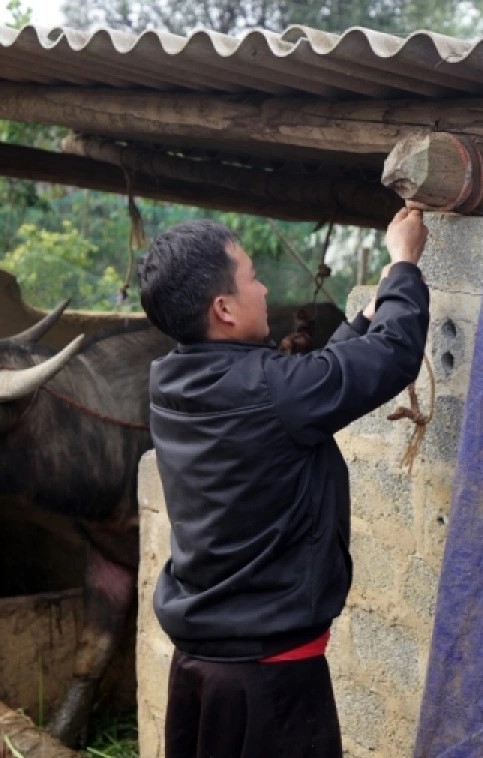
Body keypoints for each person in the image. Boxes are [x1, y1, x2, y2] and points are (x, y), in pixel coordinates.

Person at [136, 205, 430, 758]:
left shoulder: (174, 382)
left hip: (201, 667)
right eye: (252, 277)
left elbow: (308, 385)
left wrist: (367, 316)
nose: (265, 289)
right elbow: (392, 358)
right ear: (223, 308)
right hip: (267, 679)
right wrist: (403, 265)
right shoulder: (272, 392)